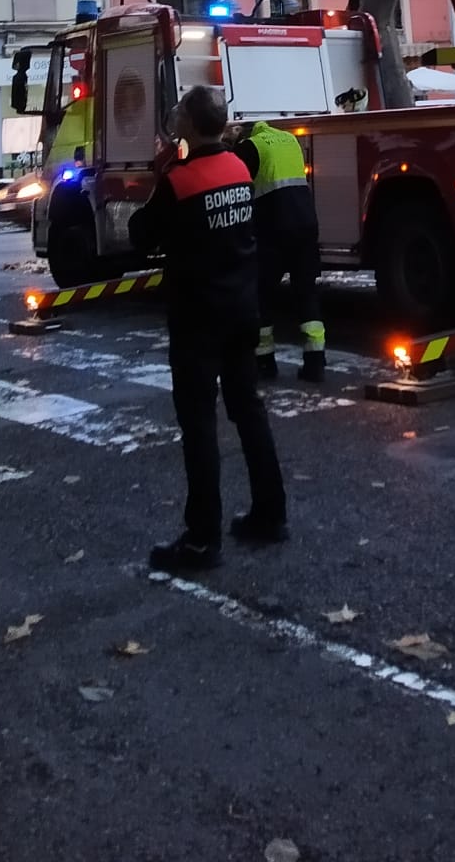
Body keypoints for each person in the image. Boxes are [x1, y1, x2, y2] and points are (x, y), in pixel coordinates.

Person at [129, 84, 287, 572]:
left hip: (199, 317)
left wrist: (160, 172)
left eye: (178, 112)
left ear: (192, 126)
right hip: (243, 311)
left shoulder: (179, 179)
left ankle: (202, 539)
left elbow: (141, 234)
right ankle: (270, 512)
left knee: (199, 426)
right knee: (248, 410)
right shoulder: (238, 168)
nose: (172, 115)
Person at [235, 119, 326, 383]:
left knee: (262, 295)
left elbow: (237, 185)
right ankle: (315, 362)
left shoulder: (251, 147)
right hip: (306, 224)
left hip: (272, 229)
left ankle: (265, 363)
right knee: (307, 293)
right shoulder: (290, 140)